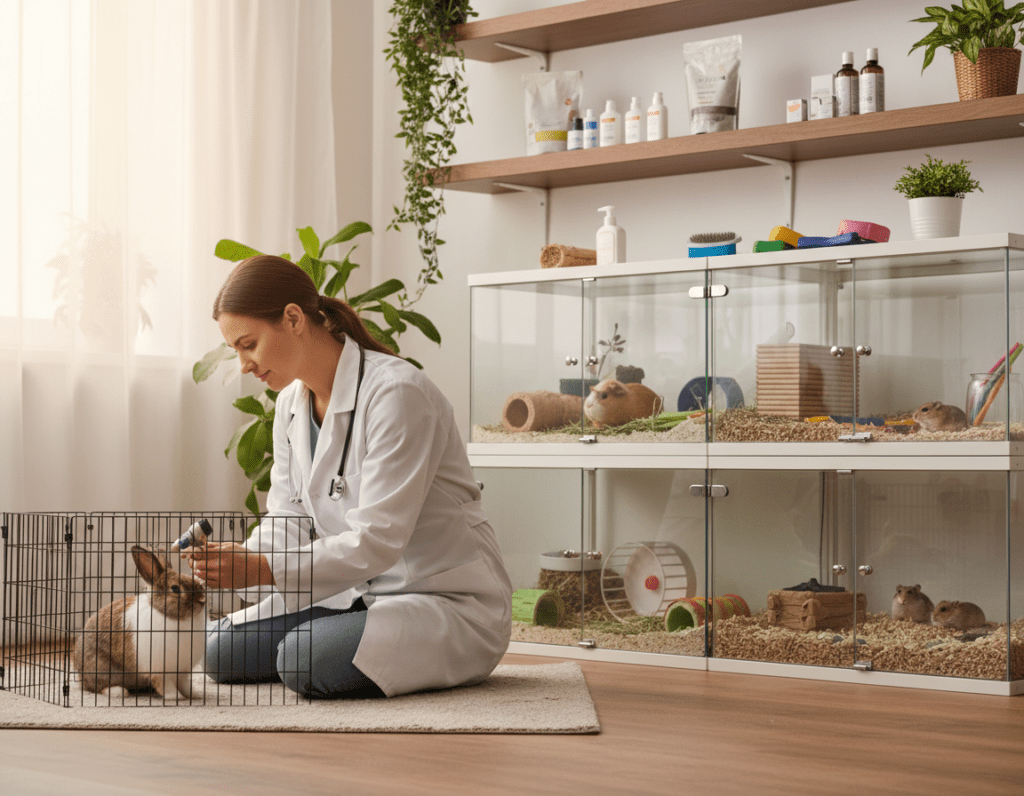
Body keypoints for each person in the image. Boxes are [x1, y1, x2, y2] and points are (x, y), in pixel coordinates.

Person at [190, 254, 512, 698]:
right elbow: (287, 517)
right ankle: (339, 634)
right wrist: (234, 561)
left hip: (442, 598)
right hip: (352, 593)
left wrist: (260, 569)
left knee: (300, 659)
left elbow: (377, 541)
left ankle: (355, 641)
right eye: (236, 351)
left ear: (293, 318)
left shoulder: (396, 394)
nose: (244, 364)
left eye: (249, 345)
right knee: (221, 652)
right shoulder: (290, 405)